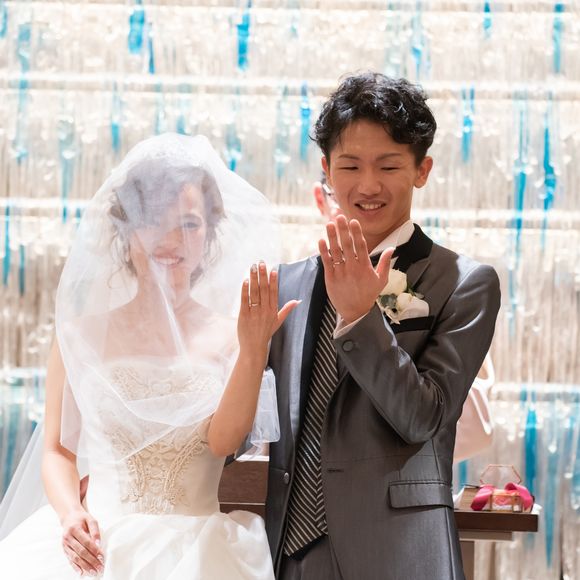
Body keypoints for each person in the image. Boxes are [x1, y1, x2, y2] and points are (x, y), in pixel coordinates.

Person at [0, 133, 298, 579]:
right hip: (100, 544)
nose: (171, 239)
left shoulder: (232, 336)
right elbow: (58, 451)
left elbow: (223, 443)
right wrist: (69, 513)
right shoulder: (79, 336)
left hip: (198, 552)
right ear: (126, 229)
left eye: (189, 224)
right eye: (153, 220)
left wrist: (254, 350)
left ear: (209, 234)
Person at [265, 73, 501, 579]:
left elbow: (422, 419)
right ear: (327, 171)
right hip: (290, 552)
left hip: (399, 554)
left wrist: (360, 317)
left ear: (421, 170)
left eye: (389, 165)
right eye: (350, 166)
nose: (368, 185)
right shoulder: (287, 284)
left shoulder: (465, 283)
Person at [314, 174, 495, 464]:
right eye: (341, 196)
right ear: (321, 200)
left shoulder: (447, 285)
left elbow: (476, 427)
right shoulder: (297, 286)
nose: (359, 213)